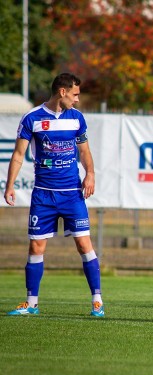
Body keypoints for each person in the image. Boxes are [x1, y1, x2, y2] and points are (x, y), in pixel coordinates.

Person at [4, 73, 104, 317]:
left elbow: (85, 151)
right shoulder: (32, 118)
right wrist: (9, 185)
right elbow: (18, 155)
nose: (78, 100)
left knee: (84, 244)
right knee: (36, 247)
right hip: (44, 196)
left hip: (72, 194)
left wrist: (90, 173)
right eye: (75, 94)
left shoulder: (76, 118)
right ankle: (31, 303)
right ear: (62, 92)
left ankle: (97, 301)